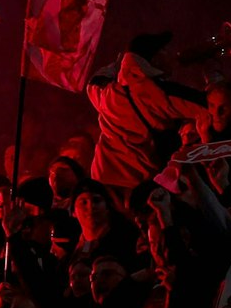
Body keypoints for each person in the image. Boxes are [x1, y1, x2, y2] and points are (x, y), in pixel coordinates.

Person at [86, 32, 209, 190]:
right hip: (140, 183)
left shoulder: (108, 94)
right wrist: (213, 73)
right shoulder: (157, 94)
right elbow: (207, 105)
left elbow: (94, 82)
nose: (172, 55)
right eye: (165, 50)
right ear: (155, 58)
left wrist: (120, 63)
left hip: (103, 179)